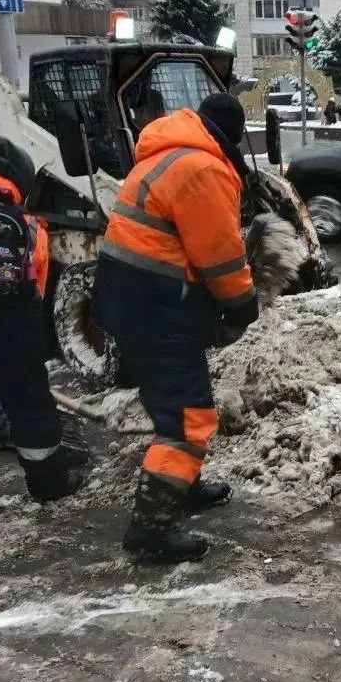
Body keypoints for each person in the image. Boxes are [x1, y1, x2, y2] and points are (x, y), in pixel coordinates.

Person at [92, 93, 259, 563]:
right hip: (159, 310)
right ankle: (151, 529)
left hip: (134, 304)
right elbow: (220, 255)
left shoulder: (165, 155)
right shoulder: (202, 169)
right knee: (189, 419)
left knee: (176, 402)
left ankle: (183, 484)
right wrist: (243, 304)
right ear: (232, 135)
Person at [0, 139, 83, 515]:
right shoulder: (29, 226)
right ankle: (49, 486)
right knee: (31, 409)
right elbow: (37, 288)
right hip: (10, 335)